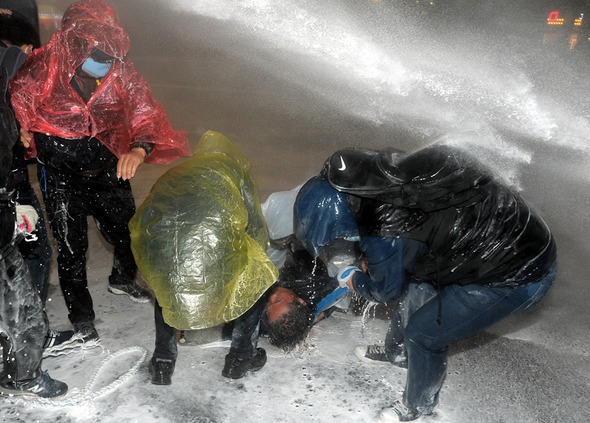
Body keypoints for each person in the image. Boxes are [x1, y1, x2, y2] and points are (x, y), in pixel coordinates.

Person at [295, 143, 557, 422]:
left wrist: (354, 279)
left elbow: (385, 291)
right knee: (418, 288)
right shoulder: (378, 177)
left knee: (424, 335)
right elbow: (409, 245)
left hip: (516, 274)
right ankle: (398, 353)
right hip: (500, 238)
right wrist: (376, 259)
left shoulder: (385, 230)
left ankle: (418, 406)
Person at [9, 0, 191, 342]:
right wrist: (18, 127)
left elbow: (145, 112)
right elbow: (18, 102)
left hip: (107, 165)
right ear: (76, 45)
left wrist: (139, 148)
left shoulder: (121, 69)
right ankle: (82, 318)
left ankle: (121, 279)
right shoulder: (44, 65)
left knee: (127, 233)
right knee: (70, 248)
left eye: (109, 56)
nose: (103, 64)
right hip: (59, 174)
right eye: (98, 55)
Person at [129, 131, 279, 385]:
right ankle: (242, 356)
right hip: (207, 237)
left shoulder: (184, 170)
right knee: (254, 281)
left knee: (168, 288)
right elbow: (255, 228)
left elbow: (150, 211)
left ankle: (163, 360)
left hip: (161, 238)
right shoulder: (236, 172)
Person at [0, 55, 67, 398]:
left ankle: (22, 353)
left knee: (30, 276)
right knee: (21, 301)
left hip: (8, 198)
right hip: (5, 209)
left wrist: (13, 131)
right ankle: (22, 372)